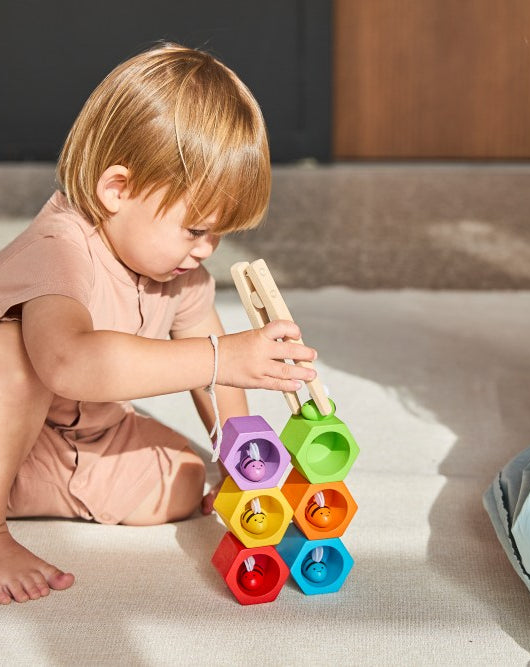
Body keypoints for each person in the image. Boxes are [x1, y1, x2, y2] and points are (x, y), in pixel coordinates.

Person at [0, 42, 317, 604]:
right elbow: (70, 363)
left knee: (185, 480)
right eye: (195, 230)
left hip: (76, 438)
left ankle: (23, 487)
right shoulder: (59, 249)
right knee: (12, 357)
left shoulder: (180, 273)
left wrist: (238, 462)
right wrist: (226, 354)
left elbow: (211, 371)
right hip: (15, 411)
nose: (206, 250)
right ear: (116, 190)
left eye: (219, 234)